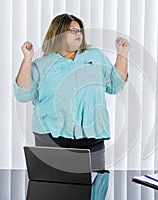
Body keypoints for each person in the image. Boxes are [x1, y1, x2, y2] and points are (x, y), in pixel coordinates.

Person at [13, 13, 130, 170]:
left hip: (91, 139)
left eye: (79, 30)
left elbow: (116, 85)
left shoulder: (95, 56)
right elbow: (23, 94)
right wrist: (27, 58)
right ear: (58, 34)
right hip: (50, 139)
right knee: (51, 191)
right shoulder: (42, 65)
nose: (78, 34)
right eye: (73, 30)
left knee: (93, 190)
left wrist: (122, 54)